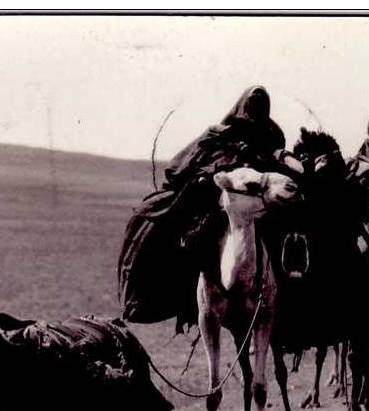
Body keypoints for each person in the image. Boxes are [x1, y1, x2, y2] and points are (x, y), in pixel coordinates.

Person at [118, 85, 292, 330]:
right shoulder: (219, 132)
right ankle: (187, 299)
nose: (256, 108)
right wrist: (217, 169)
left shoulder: (272, 134)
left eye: (262, 103)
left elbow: (276, 170)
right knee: (179, 232)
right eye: (253, 103)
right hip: (219, 200)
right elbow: (185, 164)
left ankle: (285, 307)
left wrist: (262, 160)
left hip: (259, 201)